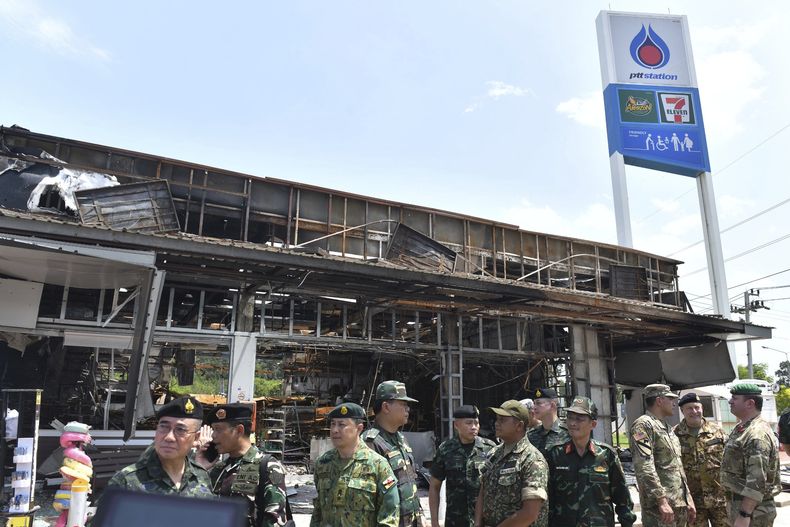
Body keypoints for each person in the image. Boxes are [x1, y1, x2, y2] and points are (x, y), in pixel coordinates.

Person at [546, 396, 635, 527]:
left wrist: (627, 523)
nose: (572, 423)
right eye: (570, 417)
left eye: (579, 418)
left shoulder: (606, 455)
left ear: (593, 424)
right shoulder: (555, 454)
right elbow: (548, 498)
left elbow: (623, 499)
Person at [312, 402, 399, 527]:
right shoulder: (323, 463)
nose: (335, 430)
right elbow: (318, 512)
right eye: (333, 424)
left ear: (359, 428)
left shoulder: (378, 465)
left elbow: (389, 517)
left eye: (342, 425)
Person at [106, 396, 213, 497]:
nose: (169, 437)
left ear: (195, 438)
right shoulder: (127, 480)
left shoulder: (201, 476)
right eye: (164, 427)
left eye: (180, 430)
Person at [202, 403, 287, 527]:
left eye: (218, 429)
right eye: (213, 430)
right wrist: (200, 468)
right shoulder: (218, 469)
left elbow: (275, 521)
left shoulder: (267, 467)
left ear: (239, 430)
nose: (213, 435)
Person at [629, 384, 696, 527]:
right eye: (670, 399)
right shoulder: (642, 426)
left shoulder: (667, 428)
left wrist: (688, 498)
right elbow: (644, 466)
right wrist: (662, 500)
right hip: (660, 509)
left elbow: (677, 466)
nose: (674, 403)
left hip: (678, 504)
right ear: (659, 401)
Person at [475, 400, 548, 527]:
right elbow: (483, 489)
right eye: (497, 419)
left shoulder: (532, 460)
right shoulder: (494, 453)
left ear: (519, 426)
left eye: (502, 420)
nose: (496, 423)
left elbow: (530, 513)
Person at [362, 381, 424, 527]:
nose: (408, 409)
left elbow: (410, 482)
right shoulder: (370, 443)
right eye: (403, 404)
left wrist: (420, 515)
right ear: (386, 407)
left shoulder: (401, 439)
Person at [720, 383, 781, 527]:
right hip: (740, 504)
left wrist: (744, 514)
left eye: (734, 398)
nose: (730, 401)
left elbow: (757, 480)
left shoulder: (756, 434)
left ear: (750, 403)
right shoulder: (742, 428)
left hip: (753, 511)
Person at [429, 405, 495, 527]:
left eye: (476, 423)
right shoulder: (445, 450)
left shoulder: (490, 448)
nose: (474, 427)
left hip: (484, 521)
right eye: (469, 423)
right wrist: (434, 522)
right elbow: (434, 486)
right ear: (456, 425)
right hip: (455, 521)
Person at [672, 393, 727, 527]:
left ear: (702, 408)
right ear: (682, 411)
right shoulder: (674, 434)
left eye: (697, 407)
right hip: (693, 502)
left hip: (719, 499)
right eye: (689, 408)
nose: (694, 411)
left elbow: (730, 462)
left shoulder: (718, 431)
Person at [527, 388, 569, 458]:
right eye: (534, 404)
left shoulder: (568, 433)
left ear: (552, 405)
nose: (534, 407)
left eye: (538, 403)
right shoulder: (531, 435)